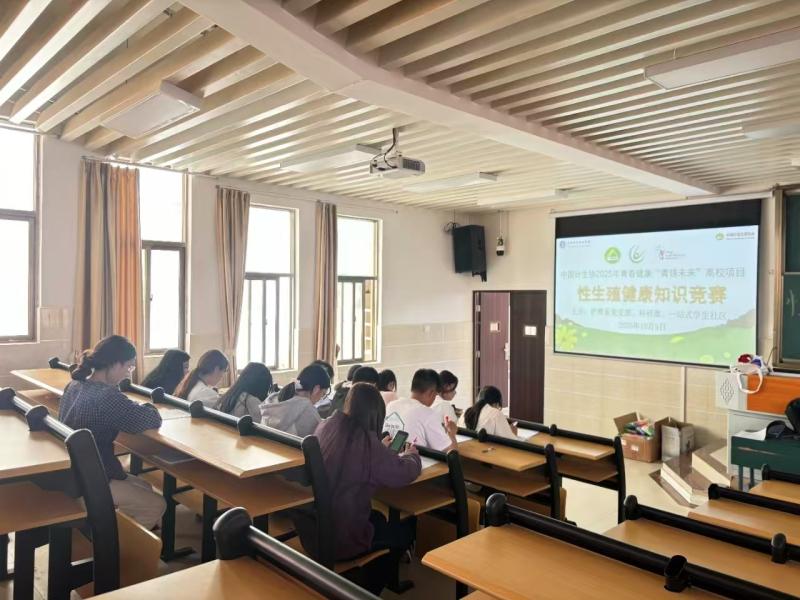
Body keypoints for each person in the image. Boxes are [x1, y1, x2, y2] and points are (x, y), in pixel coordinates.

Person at [301, 383, 420, 594]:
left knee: (378, 518)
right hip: (341, 539)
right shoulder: (368, 444)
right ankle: (364, 591)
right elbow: (405, 472)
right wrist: (412, 455)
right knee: (402, 533)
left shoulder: (326, 426)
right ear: (377, 414)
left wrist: (380, 449)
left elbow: (353, 455)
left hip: (311, 531)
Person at [59, 335, 166, 529]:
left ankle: (117, 528)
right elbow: (150, 419)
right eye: (129, 367)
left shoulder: (75, 384)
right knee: (157, 505)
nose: (128, 374)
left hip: (74, 470)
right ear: (115, 363)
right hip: (89, 479)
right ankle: (113, 545)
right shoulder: (106, 395)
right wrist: (148, 407)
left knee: (145, 486)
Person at [384, 369, 458, 452]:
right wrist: (451, 433)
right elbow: (451, 453)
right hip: (414, 460)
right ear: (431, 393)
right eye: (435, 395)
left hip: (387, 457)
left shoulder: (391, 405)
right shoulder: (427, 413)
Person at [261, 364, 329, 436]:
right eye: (323, 394)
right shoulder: (307, 409)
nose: (321, 399)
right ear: (316, 389)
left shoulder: (274, 398)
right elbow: (320, 437)